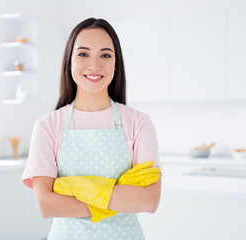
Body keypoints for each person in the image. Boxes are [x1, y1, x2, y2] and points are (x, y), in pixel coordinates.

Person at [22, 17, 161, 239]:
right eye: (83, 54)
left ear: (116, 65)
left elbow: (148, 200)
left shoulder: (139, 123)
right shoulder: (47, 126)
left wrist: (76, 187)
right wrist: (118, 196)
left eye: (105, 55)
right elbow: (46, 205)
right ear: (70, 62)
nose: (94, 65)